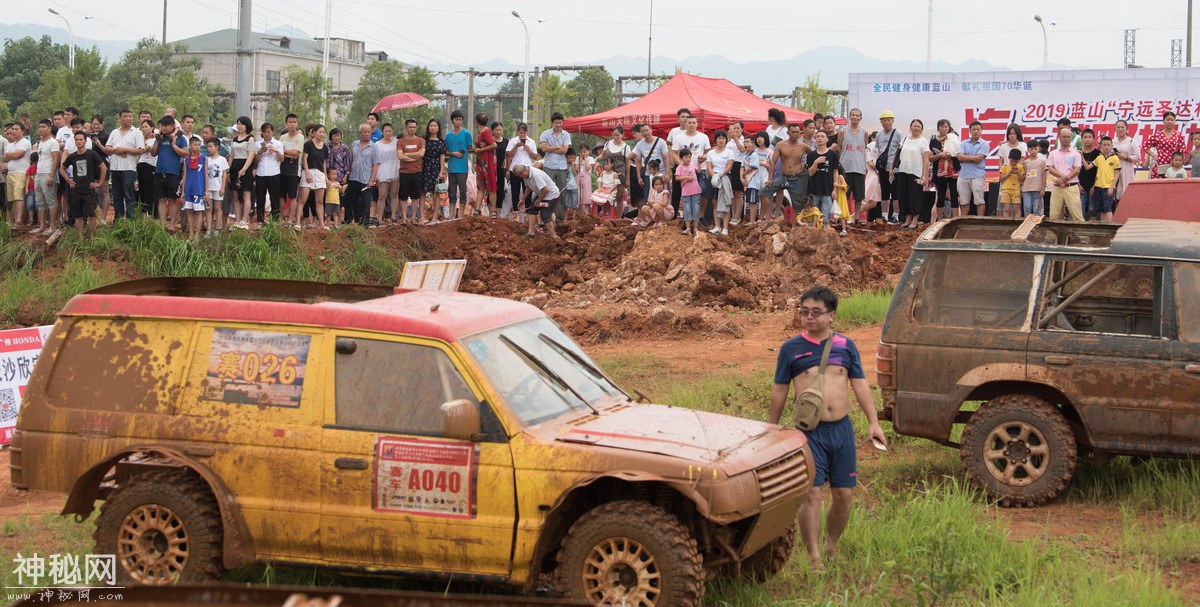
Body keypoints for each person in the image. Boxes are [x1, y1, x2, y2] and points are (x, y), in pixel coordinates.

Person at [768, 286, 886, 570]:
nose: (809, 317)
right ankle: (814, 556)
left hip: (842, 431)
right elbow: (780, 389)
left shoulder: (846, 345)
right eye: (804, 311)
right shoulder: (791, 348)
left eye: (816, 312)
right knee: (811, 493)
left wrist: (873, 422)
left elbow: (859, 384)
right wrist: (771, 427)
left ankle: (831, 544)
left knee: (844, 495)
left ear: (831, 315)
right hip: (809, 433)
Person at [760, 123, 813, 223]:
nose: (796, 134)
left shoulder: (803, 146)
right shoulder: (781, 145)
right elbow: (773, 162)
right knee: (764, 192)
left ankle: (794, 226)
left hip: (796, 178)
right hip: (783, 177)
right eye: (793, 132)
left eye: (797, 132)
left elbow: (813, 156)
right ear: (788, 133)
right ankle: (768, 217)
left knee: (797, 204)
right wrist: (770, 179)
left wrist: (805, 168)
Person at [59, 131, 106, 240]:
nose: (79, 141)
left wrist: (99, 183)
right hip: (76, 189)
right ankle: (80, 237)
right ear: (74, 141)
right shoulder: (72, 156)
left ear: (85, 140)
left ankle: (91, 236)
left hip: (89, 189)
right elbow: (62, 168)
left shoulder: (92, 154)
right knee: (77, 215)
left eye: (81, 139)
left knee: (91, 214)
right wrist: (68, 180)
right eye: (77, 140)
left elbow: (103, 167)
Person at [96, 110, 141, 222]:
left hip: (129, 168)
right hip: (115, 168)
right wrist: (117, 150)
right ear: (120, 118)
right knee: (117, 196)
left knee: (129, 195)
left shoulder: (136, 132)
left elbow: (140, 150)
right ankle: (118, 221)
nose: (128, 118)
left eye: (130, 116)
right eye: (125, 116)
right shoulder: (114, 132)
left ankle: (131, 221)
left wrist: (125, 149)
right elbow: (107, 148)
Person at [150, 115, 188, 231]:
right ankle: (162, 223)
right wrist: (158, 141)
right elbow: (153, 153)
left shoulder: (180, 137)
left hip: (173, 173)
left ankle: (172, 223)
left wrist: (174, 144)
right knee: (161, 199)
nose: (163, 128)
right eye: (161, 125)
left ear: (172, 126)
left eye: (166, 125)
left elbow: (185, 153)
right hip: (159, 171)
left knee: (172, 200)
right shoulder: (160, 138)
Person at [892, 119, 930, 231]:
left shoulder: (923, 141)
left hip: (916, 172)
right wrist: (891, 168)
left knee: (915, 196)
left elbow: (926, 160)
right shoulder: (905, 139)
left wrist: (924, 175)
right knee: (904, 195)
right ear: (910, 127)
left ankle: (915, 220)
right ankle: (907, 219)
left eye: (919, 126)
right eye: (914, 126)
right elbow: (898, 155)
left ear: (921, 129)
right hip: (903, 171)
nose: (916, 128)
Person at [511, 162, 560, 239]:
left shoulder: (536, 175)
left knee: (545, 214)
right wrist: (523, 199)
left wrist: (538, 200)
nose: (520, 178)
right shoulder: (526, 175)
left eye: (519, 176)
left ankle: (555, 236)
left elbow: (546, 190)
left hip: (551, 196)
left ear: (522, 172)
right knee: (531, 209)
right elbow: (528, 187)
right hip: (543, 194)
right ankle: (531, 232)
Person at [538, 112, 572, 219]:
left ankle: (559, 217)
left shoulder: (566, 134)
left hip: (562, 167)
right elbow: (543, 148)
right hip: (549, 166)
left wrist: (551, 147)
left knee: (561, 192)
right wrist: (558, 147)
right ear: (552, 122)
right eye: (556, 122)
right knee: (546, 191)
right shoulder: (545, 134)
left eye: (560, 122)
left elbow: (565, 150)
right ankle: (545, 216)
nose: (558, 125)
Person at [1046, 127, 1084, 221]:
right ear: (1059, 137)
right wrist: (1062, 177)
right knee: (1054, 216)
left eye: (1068, 137)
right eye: (1064, 137)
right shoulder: (1053, 153)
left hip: (1071, 186)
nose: (1066, 139)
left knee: (1077, 215)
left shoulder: (1076, 153)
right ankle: (1053, 236)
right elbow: (1050, 168)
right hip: (1057, 187)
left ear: (1071, 138)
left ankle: (1081, 236)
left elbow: (1077, 169)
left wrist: (1067, 178)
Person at [251, 123, 284, 229]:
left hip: (274, 172)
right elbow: (255, 159)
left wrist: (276, 151)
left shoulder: (278, 143)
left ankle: (274, 220)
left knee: (274, 197)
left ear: (272, 132)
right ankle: (260, 220)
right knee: (260, 197)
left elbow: (282, 159)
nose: (266, 134)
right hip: (261, 173)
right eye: (264, 132)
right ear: (262, 133)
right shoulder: (257, 143)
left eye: (268, 132)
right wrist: (260, 152)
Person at [346, 123, 379, 227]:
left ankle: (364, 224)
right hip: (353, 177)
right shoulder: (355, 144)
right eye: (365, 132)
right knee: (351, 200)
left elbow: (375, 164)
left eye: (369, 132)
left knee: (365, 202)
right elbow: (351, 160)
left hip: (366, 179)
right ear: (360, 133)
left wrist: (372, 179)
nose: (368, 134)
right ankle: (349, 222)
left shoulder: (373, 146)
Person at [839, 109, 869, 225]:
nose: (855, 117)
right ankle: (844, 217)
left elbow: (864, 147)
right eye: (853, 115)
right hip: (845, 167)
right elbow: (840, 147)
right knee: (844, 194)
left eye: (857, 115)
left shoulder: (864, 132)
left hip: (859, 167)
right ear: (850, 116)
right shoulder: (843, 131)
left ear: (860, 117)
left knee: (858, 195)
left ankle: (856, 217)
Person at [705, 129, 736, 235]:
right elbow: (708, 166)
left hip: (725, 177)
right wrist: (714, 175)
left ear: (726, 140)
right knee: (715, 203)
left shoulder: (729, 152)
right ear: (716, 140)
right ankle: (717, 226)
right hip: (714, 178)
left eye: (723, 138)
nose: (721, 140)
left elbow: (729, 166)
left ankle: (725, 228)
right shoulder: (710, 153)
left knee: (725, 202)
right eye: (719, 138)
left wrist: (720, 174)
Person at [506, 122, 539, 217]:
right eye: (520, 132)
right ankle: (516, 212)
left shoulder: (531, 142)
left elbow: (535, 157)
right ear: (517, 132)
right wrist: (516, 146)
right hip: (515, 170)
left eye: (524, 132)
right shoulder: (512, 141)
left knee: (528, 190)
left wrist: (529, 150)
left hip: (527, 170)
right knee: (515, 191)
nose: (522, 135)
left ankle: (528, 213)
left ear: (526, 132)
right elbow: (509, 155)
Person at [875, 110, 903, 224]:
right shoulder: (879, 135)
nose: (887, 122)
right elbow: (878, 150)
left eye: (889, 120)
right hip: (883, 168)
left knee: (895, 192)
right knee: (885, 191)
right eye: (884, 120)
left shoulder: (898, 133)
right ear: (881, 122)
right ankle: (884, 215)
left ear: (892, 121)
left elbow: (901, 150)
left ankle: (896, 215)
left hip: (895, 168)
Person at [299, 124, 328, 230]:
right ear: (314, 132)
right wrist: (307, 173)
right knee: (302, 199)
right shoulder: (308, 144)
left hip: (319, 174)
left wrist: (325, 176)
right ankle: (298, 222)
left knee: (319, 201)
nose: (322, 134)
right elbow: (304, 159)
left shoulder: (325, 147)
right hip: (309, 172)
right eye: (320, 132)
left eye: (323, 132)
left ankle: (321, 223)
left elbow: (324, 162)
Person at [396, 118, 426, 224]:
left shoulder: (421, 140)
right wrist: (414, 156)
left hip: (417, 172)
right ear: (406, 128)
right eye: (410, 127)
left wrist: (407, 154)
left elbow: (421, 154)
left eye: (414, 127)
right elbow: (400, 156)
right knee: (403, 196)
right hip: (404, 172)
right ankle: (404, 218)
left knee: (415, 196)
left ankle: (413, 217)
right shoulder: (400, 141)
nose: (412, 129)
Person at [956, 121, 989, 217]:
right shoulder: (963, 143)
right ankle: (963, 221)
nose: (976, 131)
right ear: (969, 131)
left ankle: (980, 221)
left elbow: (979, 159)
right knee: (964, 201)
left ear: (981, 131)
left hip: (977, 176)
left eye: (978, 130)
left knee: (979, 201)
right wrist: (972, 158)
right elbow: (960, 158)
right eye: (974, 129)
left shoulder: (984, 144)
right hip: (963, 176)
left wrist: (965, 157)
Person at [445, 111, 473, 219]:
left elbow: (470, 149)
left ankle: (461, 214)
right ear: (452, 121)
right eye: (456, 119)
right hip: (452, 167)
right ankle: (452, 214)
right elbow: (446, 151)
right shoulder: (448, 136)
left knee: (462, 191)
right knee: (451, 192)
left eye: (460, 119)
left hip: (462, 167)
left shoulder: (466, 134)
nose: (458, 121)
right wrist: (453, 153)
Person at [929, 119, 960, 219]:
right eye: (941, 126)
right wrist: (940, 155)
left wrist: (951, 154)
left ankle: (955, 219)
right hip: (939, 172)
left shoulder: (953, 137)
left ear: (949, 128)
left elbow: (958, 152)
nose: (943, 128)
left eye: (946, 126)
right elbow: (930, 158)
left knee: (954, 196)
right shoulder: (934, 141)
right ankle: (939, 220)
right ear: (938, 128)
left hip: (953, 171)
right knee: (940, 196)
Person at [179, 136, 208, 241]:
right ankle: (191, 233)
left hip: (199, 189)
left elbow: (205, 175)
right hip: (188, 190)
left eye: (199, 145)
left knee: (199, 212)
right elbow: (185, 175)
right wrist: (183, 192)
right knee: (189, 211)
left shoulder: (204, 158)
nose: (197, 147)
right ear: (190, 146)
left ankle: (197, 234)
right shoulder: (186, 159)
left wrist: (207, 190)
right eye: (195, 145)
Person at [1141, 111, 1186, 178]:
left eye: (1172, 120)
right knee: (1159, 186)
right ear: (1163, 121)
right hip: (1160, 164)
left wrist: (1180, 163)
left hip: (1174, 165)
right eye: (1168, 120)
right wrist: (1154, 155)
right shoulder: (1158, 134)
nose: (1170, 122)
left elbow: (1183, 151)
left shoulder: (1179, 135)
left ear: (1174, 121)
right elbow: (1145, 146)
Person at [4, 123, 32, 230]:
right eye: (13, 129)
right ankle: (15, 220)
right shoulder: (10, 144)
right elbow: (5, 158)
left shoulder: (25, 142)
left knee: (19, 196)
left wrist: (11, 155)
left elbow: (17, 155)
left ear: (22, 131)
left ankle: (19, 220)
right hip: (10, 173)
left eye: (16, 129)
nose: (14, 131)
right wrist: (11, 155)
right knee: (13, 198)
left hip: (21, 173)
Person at [602, 126, 632, 219]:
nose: (615, 137)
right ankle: (606, 215)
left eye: (618, 135)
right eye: (614, 135)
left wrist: (628, 179)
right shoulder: (607, 143)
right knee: (605, 196)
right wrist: (593, 160)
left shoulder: (626, 147)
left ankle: (618, 218)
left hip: (620, 176)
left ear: (622, 135)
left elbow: (628, 164)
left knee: (619, 198)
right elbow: (602, 156)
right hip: (608, 175)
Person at [373, 123, 400, 226]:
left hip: (395, 169)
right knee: (382, 195)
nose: (388, 133)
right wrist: (375, 175)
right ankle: (379, 218)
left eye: (390, 131)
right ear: (382, 132)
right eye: (386, 131)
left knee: (394, 193)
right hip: (383, 169)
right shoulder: (377, 145)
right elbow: (375, 161)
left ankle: (393, 216)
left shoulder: (397, 142)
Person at [279, 114, 305, 221]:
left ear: (297, 123)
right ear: (286, 124)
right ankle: (281, 217)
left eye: (294, 122)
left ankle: (290, 219)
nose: (292, 124)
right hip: (281, 168)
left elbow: (295, 153)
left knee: (293, 196)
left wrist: (284, 151)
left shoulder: (300, 137)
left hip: (294, 170)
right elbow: (279, 153)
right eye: (290, 122)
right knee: (281, 195)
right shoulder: (282, 137)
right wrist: (287, 153)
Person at [421, 118, 447, 224]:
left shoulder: (442, 142)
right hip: (424, 167)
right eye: (431, 126)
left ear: (438, 128)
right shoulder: (423, 140)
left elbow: (442, 157)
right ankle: (421, 217)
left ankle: (435, 217)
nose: (432, 128)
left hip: (436, 169)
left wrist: (441, 171)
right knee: (422, 192)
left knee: (436, 193)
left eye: (435, 126)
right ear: (428, 127)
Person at [1090, 136, 1121, 222]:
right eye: (1104, 145)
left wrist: (1112, 187)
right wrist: (1081, 157)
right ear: (1101, 146)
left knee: (1108, 209)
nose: (1106, 147)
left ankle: (1110, 228)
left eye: (1108, 145)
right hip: (1098, 186)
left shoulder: (1114, 158)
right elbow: (1089, 168)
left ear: (1111, 146)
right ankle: (1103, 229)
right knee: (1101, 210)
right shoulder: (1099, 158)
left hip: (1108, 187)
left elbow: (1117, 173)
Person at [742, 132, 769, 226]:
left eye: (747, 142)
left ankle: (755, 220)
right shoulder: (746, 155)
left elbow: (752, 167)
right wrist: (741, 177)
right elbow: (742, 167)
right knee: (751, 200)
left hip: (757, 180)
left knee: (756, 200)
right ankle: (755, 219)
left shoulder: (755, 155)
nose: (745, 144)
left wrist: (743, 174)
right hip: (749, 181)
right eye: (744, 142)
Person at [472, 112, 496, 216]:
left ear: (476, 121)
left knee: (490, 185)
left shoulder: (486, 131)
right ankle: (477, 209)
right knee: (481, 186)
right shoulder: (480, 132)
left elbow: (494, 145)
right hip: (481, 162)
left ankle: (493, 211)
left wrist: (480, 150)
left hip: (487, 162)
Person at [204, 137, 228, 235]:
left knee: (218, 208)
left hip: (218, 187)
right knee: (209, 208)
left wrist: (222, 187)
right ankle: (209, 229)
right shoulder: (206, 159)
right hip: (209, 188)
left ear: (217, 147)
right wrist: (205, 188)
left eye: (211, 146)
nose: (209, 149)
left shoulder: (222, 159)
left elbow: (224, 174)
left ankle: (217, 228)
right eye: (208, 147)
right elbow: (205, 174)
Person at [675, 148, 701, 236]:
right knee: (687, 209)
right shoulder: (680, 167)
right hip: (686, 192)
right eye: (686, 157)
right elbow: (677, 178)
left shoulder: (693, 165)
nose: (688, 159)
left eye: (690, 157)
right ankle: (688, 228)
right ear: (681, 158)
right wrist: (686, 177)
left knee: (696, 209)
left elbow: (699, 171)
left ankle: (696, 228)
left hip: (695, 190)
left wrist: (700, 163)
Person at [726, 121, 747, 225]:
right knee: (733, 193)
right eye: (734, 128)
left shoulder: (743, 140)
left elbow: (743, 150)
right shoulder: (730, 142)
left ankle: (738, 216)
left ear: (742, 129)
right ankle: (733, 215)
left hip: (739, 166)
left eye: (738, 128)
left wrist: (735, 138)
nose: (736, 130)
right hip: (730, 166)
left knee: (739, 193)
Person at [136, 119, 157, 218]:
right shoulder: (141, 138)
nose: (144, 129)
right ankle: (144, 217)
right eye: (142, 127)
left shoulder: (154, 139)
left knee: (149, 192)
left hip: (149, 166)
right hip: (140, 166)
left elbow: (144, 150)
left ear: (152, 128)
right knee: (142, 192)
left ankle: (152, 216)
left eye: (146, 126)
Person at [1077, 129, 1100, 220]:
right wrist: (1078, 185)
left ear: (1093, 139)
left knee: (1092, 212)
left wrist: (1095, 185)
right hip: (1080, 186)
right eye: (1085, 137)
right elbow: (1074, 170)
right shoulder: (1077, 153)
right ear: (1081, 139)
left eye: (1090, 137)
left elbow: (1099, 172)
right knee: (1079, 211)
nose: (1087, 139)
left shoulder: (1098, 153)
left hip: (1093, 187)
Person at [997, 149, 1024, 219]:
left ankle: (1017, 223)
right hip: (1006, 189)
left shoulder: (1020, 167)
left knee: (1016, 209)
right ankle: (1006, 223)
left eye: (1016, 161)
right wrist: (1008, 173)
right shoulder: (1004, 166)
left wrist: (1018, 173)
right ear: (1009, 158)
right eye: (1012, 161)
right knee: (1006, 208)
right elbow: (1001, 178)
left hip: (1016, 190)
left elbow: (1022, 180)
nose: (1014, 163)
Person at [1021, 143, 1046, 217]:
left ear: (1038, 149)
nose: (1033, 151)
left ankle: (1037, 226)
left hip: (1037, 188)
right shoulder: (1025, 163)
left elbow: (1044, 176)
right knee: (1027, 208)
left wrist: (1043, 188)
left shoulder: (1042, 161)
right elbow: (1024, 176)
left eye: (1035, 148)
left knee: (1037, 209)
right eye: (1031, 149)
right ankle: (1027, 226)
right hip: (1026, 188)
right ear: (1028, 150)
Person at [491, 122, 509, 216]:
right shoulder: (490, 141)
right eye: (496, 130)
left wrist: (508, 170)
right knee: (491, 190)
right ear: (493, 131)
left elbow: (508, 157)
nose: (498, 132)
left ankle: (498, 214)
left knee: (500, 190)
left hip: (501, 169)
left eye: (500, 130)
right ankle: (491, 212)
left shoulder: (506, 141)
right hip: (491, 169)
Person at [574, 144, 593, 218]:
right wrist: (581, 159)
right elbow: (576, 168)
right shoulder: (578, 158)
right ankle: (579, 214)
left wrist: (585, 159)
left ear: (588, 151)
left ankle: (586, 214)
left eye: (585, 151)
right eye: (582, 152)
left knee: (587, 195)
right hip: (579, 177)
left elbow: (588, 168)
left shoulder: (590, 158)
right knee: (579, 194)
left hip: (586, 178)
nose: (583, 153)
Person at [563, 147, 580, 221]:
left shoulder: (575, 165)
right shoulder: (564, 165)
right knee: (566, 204)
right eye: (569, 158)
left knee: (574, 203)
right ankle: (565, 219)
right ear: (566, 158)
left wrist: (573, 166)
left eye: (572, 158)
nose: (571, 160)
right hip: (566, 187)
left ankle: (573, 219)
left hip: (574, 187)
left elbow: (576, 175)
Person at [832, 171, 849, 236]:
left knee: (841, 213)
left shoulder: (840, 177)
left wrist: (837, 185)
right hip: (835, 197)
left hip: (841, 197)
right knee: (835, 212)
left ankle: (844, 229)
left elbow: (845, 186)